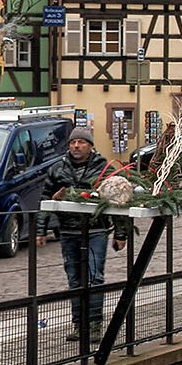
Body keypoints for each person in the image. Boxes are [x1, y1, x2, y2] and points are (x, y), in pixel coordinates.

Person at [42, 126, 113, 348]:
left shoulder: (103, 168)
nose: (76, 146)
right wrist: (40, 229)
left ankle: (94, 325)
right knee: (74, 279)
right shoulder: (57, 169)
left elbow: (118, 198)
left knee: (94, 277)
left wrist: (121, 233)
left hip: (95, 229)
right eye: (73, 143)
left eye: (81, 142)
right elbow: (45, 198)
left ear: (90, 146)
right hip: (68, 230)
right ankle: (78, 323)